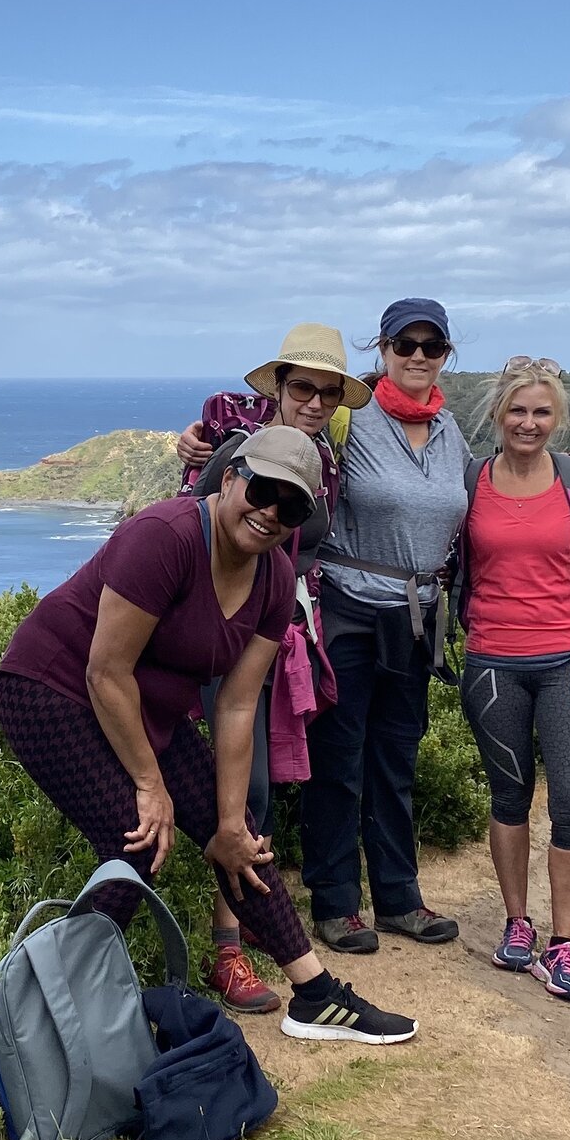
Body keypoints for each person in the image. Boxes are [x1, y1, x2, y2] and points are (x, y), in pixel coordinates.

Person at [0, 424, 417, 1045]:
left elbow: (238, 708)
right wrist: (149, 785)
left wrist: (226, 826)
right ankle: (54, 1015)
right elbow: (105, 672)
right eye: (263, 490)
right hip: (50, 691)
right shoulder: (163, 538)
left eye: (292, 505)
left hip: (145, 711)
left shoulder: (273, 580)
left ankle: (316, 996)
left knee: (242, 841)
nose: (271, 512)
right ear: (230, 478)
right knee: (137, 837)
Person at [178, 323, 367, 1015]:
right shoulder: (235, 436)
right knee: (233, 783)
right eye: (303, 387)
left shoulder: (326, 460)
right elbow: (197, 505)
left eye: (327, 392)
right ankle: (226, 948)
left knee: (255, 788)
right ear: (280, 386)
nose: (315, 401)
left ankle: (239, 930)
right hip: (216, 629)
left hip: (275, 632)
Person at [301, 299, 468, 954]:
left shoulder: (452, 431)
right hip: (347, 607)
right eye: (407, 343)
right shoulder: (348, 417)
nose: (419, 355)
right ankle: (336, 900)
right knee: (338, 761)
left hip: (415, 618)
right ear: (384, 348)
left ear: (446, 354)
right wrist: (200, 437)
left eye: (432, 345)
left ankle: (399, 896)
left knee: (396, 757)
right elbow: (279, 425)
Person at [456, 357, 570, 1004]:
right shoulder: (473, 480)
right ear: (498, 414)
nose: (528, 421)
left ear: (559, 418)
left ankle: (564, 940)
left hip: (569, 661)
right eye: (517, 410)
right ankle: (518, 922)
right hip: (493, 661)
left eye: (541, 411)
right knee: (509, 796)